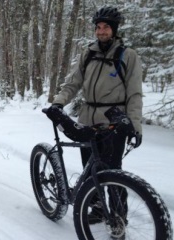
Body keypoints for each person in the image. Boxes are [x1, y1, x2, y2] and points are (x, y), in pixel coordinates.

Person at [51, 6, 143, 224]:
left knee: (113, 172)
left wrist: (135, 126)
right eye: (98, 27)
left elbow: (135, 94)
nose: (101, 32)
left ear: (114, 30)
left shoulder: (127, 56)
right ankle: (98, 208)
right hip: (87, 119)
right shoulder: (89, 53)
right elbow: (73, 83)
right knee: (90, 169)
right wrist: (58, 102)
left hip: (113, 122)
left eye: (106, 28)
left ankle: (119, 219)